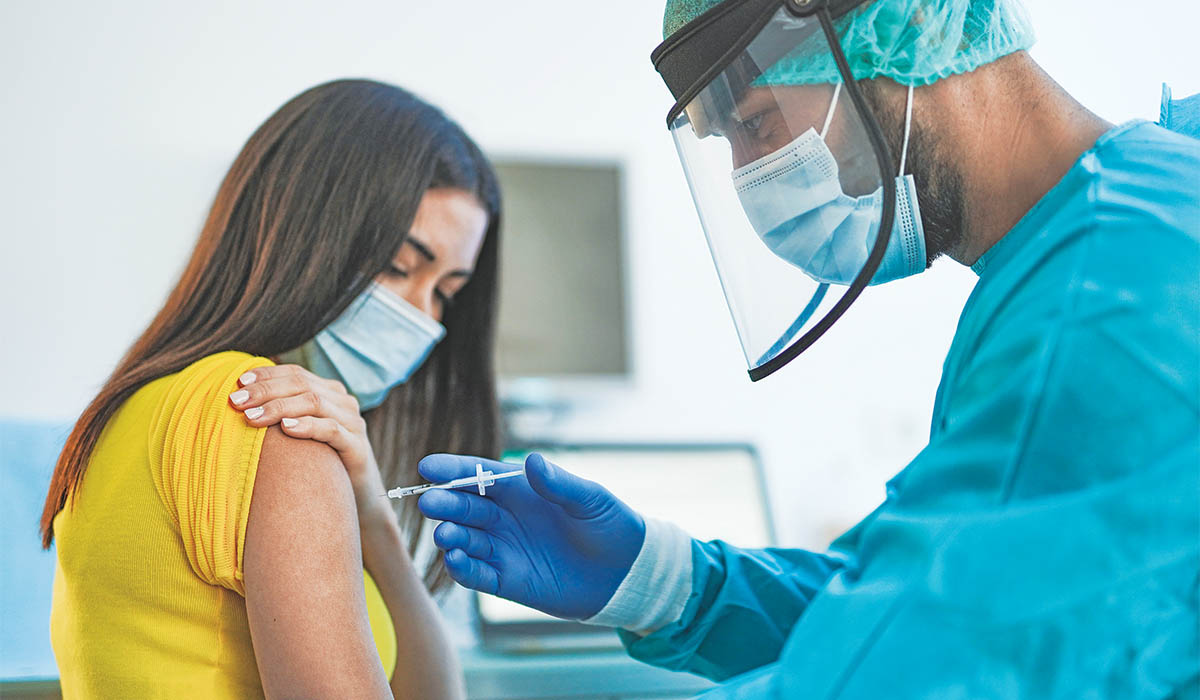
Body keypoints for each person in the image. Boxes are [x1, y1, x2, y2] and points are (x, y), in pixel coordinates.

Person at [416, 0, 1200, 697]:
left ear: (909, 21)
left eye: (756, 124)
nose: (751, 179)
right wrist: (657, 577)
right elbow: (917, 604)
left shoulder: (1101, 305)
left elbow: (900, 674)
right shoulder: (1125, 212)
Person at [40, 78, 501, 699]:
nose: (423, 315)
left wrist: (374, 514)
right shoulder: (269, 418)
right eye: (399, 267)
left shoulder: (140, 402)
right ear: (302, 230)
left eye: (446, 291)